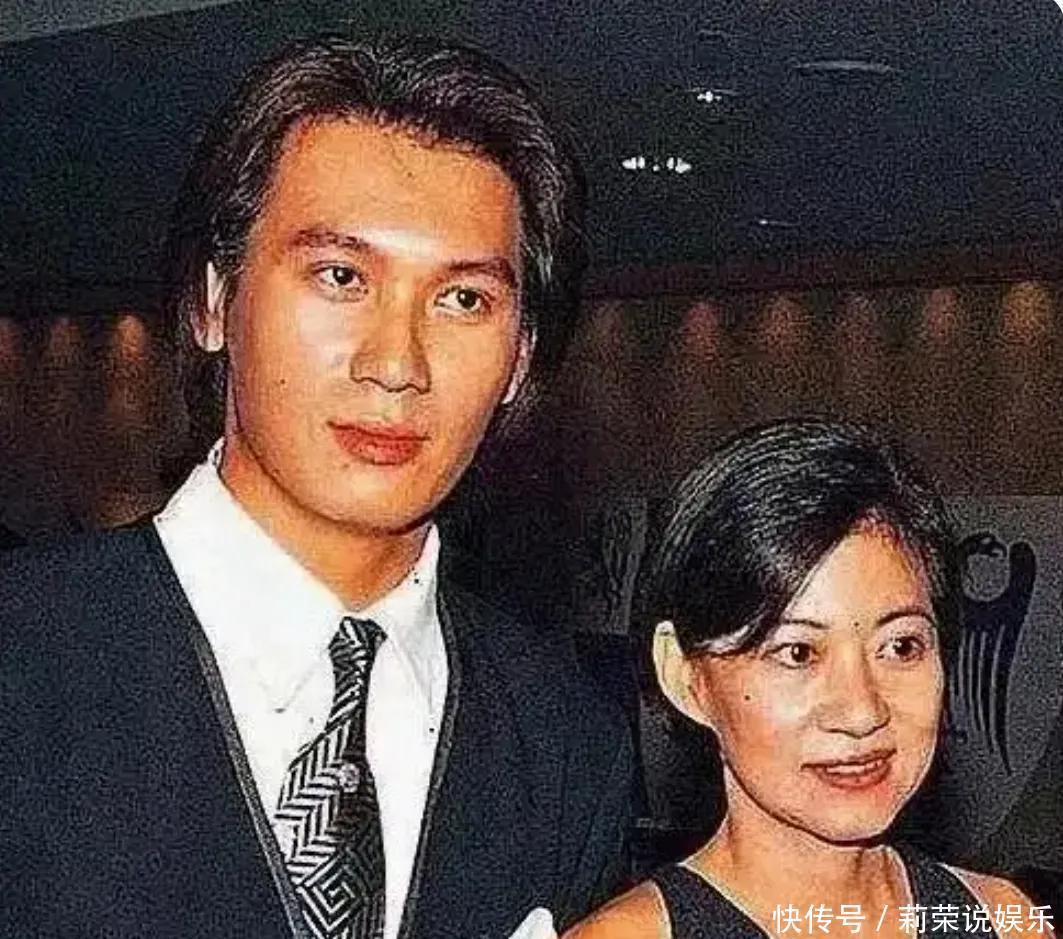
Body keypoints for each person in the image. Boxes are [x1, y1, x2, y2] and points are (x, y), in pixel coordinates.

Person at [0, 35, 632, 939]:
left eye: (463, 300)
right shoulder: (27, 653)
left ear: (520, 356)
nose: (396, 363)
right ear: (213, 302)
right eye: (341, 277)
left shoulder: (563, 738)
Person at [564, 420, 1050, 939]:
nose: (862, 712)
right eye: (798, 653)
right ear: (685, 676)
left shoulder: (1004, 919)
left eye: (901, 646)